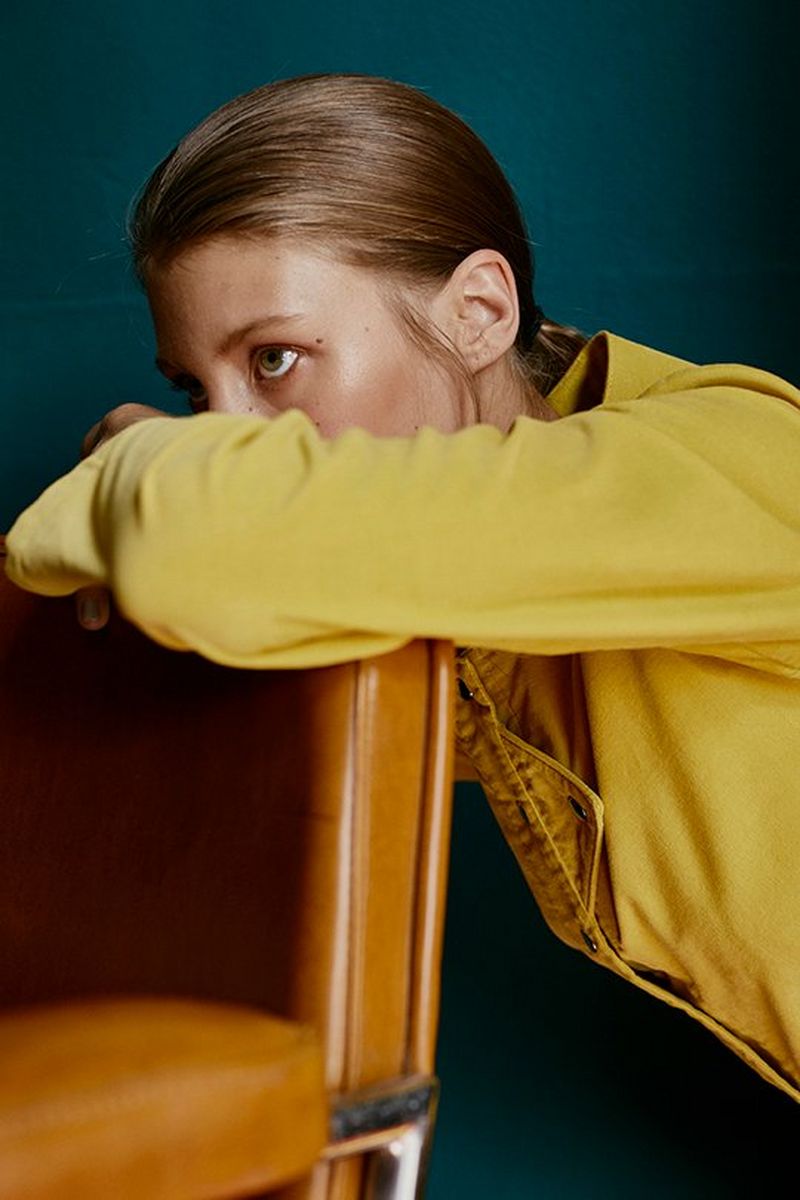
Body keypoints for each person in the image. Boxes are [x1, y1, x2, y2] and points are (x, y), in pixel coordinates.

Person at [5, 74, 800, 1103]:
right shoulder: (460, 606)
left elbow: (196, 547)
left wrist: (139, 483)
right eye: (193, 393)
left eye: (276, 358)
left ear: (476, 313)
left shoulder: (745, 461)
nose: (225, 434)